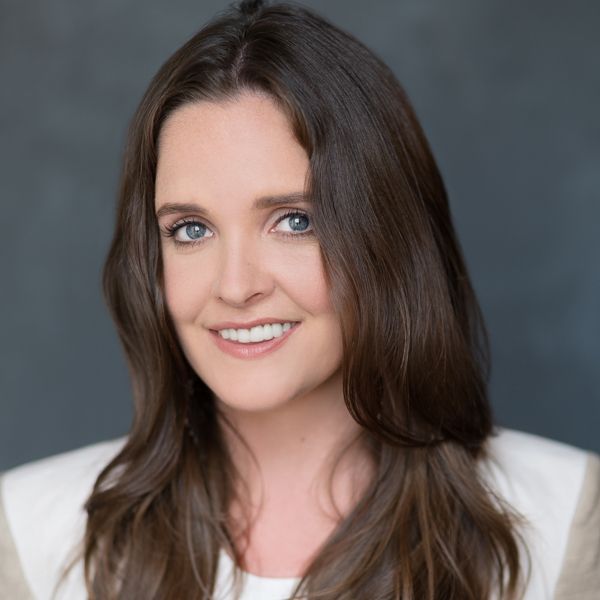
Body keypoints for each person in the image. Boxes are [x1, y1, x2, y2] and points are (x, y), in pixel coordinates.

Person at [1, 1, 599, 598]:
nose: (235, 286)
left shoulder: (566, 522)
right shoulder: (30, 536)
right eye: (190, 230)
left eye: (293, 220)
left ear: (387, 236)